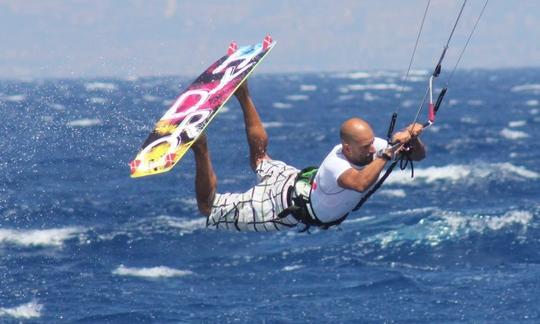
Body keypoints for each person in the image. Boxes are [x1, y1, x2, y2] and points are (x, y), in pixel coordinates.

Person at [191, 81, 426, 231]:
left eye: (372, 144)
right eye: (366, 147)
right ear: (346, 148)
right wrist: (387, 153)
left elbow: (417, 157)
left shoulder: (372, 147)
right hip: (279, 206)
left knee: (260, 159)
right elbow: (361, 183)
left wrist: (411, 139)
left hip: (295, 181)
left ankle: (243, 93)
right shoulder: (336, 165)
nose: (372, 150)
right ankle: (200, 147)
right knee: (207, 208)